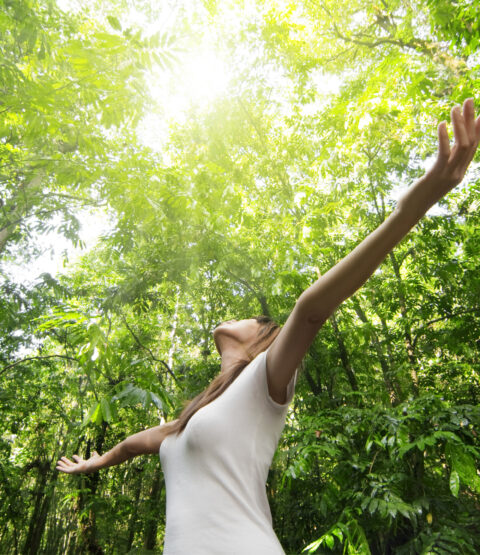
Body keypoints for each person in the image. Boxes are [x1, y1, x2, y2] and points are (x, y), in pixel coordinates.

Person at [57, 99, 480, 553]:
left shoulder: (265, 381)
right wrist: (94, 463)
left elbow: (312, 309)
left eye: (250, 318)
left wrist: (413, 206)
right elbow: (132, 444)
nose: (235, 317)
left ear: (261, 340)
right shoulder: (188, 421)